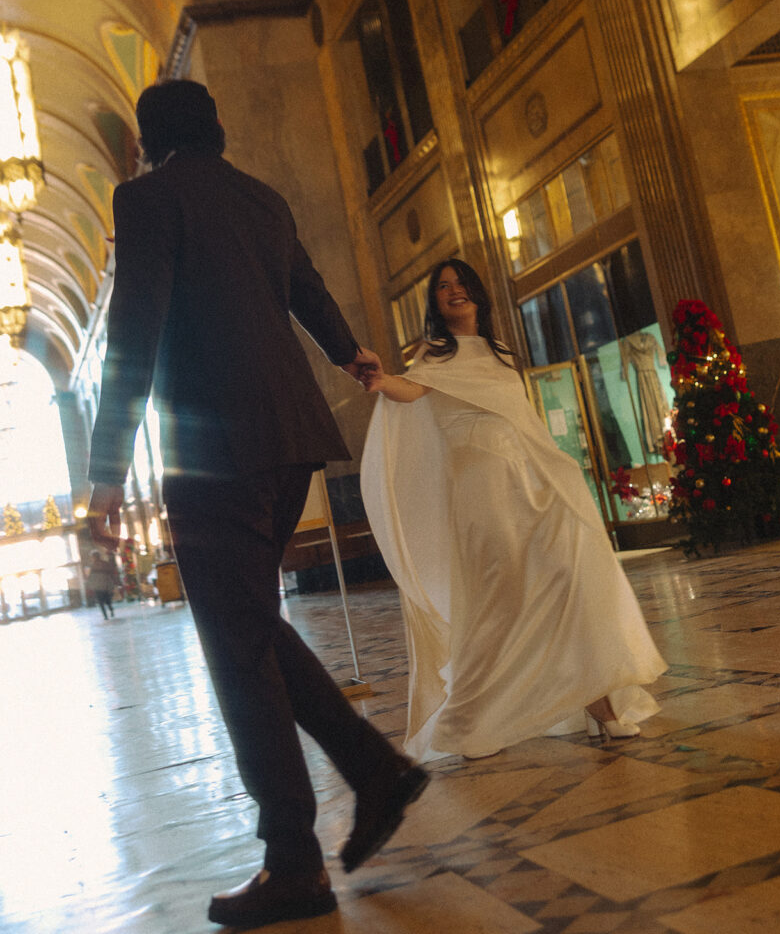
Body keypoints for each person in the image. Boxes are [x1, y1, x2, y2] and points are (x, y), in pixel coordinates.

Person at [86, 80, 428, 930]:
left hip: (215, 451)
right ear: (215, 128)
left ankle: (295, 863)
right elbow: (306, 288)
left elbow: (133, 328)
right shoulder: (261, 198)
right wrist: (348, 352)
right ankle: (373, 771)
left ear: (148, 143)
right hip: (292, 437)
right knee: (249, 625)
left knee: (237, 650)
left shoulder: (147, 199)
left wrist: (105, 469)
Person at [361, 259, 667, 762]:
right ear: (435, 303)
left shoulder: (502, 352)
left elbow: (524, 423)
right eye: (443, 287)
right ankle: (470, 722)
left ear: (477, 292)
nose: (454, 291)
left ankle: (601, 704)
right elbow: (411, 389)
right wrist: (379, 380)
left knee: (568, 582)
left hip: (532, 482)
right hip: (481, 491)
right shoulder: (434, 355)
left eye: (461, 283)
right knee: (499, 604)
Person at [86, 548, 120, 620]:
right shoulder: (98, 565)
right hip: (101, 585)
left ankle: (108, 612)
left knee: (105, 600)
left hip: (103, 585)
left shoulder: (97, 565)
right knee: (103, 601)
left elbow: (90, 576)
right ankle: (107, 613)